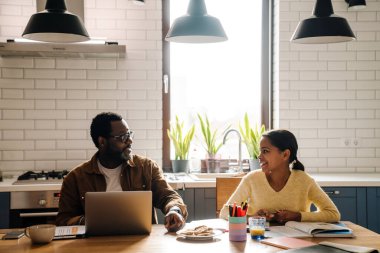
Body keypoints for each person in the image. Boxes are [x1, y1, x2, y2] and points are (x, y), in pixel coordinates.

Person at [56, 112, 187, 232]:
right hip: (93, 244)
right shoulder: (75, 178)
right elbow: (63, 221)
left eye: (129, 134)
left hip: (141, 243)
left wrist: (174, 210)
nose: (130, 141)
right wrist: (86, 221)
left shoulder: (146, 167)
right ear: (102, 142)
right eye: (123, 137)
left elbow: (168, 197)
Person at [220, 129, 340, 224]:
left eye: (265, 151)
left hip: (297, 243)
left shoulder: (304, 181)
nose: (259, 156)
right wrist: (251, 218)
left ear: (285, 154)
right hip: (258, 240)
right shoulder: (252, 179)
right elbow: (225, 212)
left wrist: (297, 216)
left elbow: (333, 214)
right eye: (260, 151)